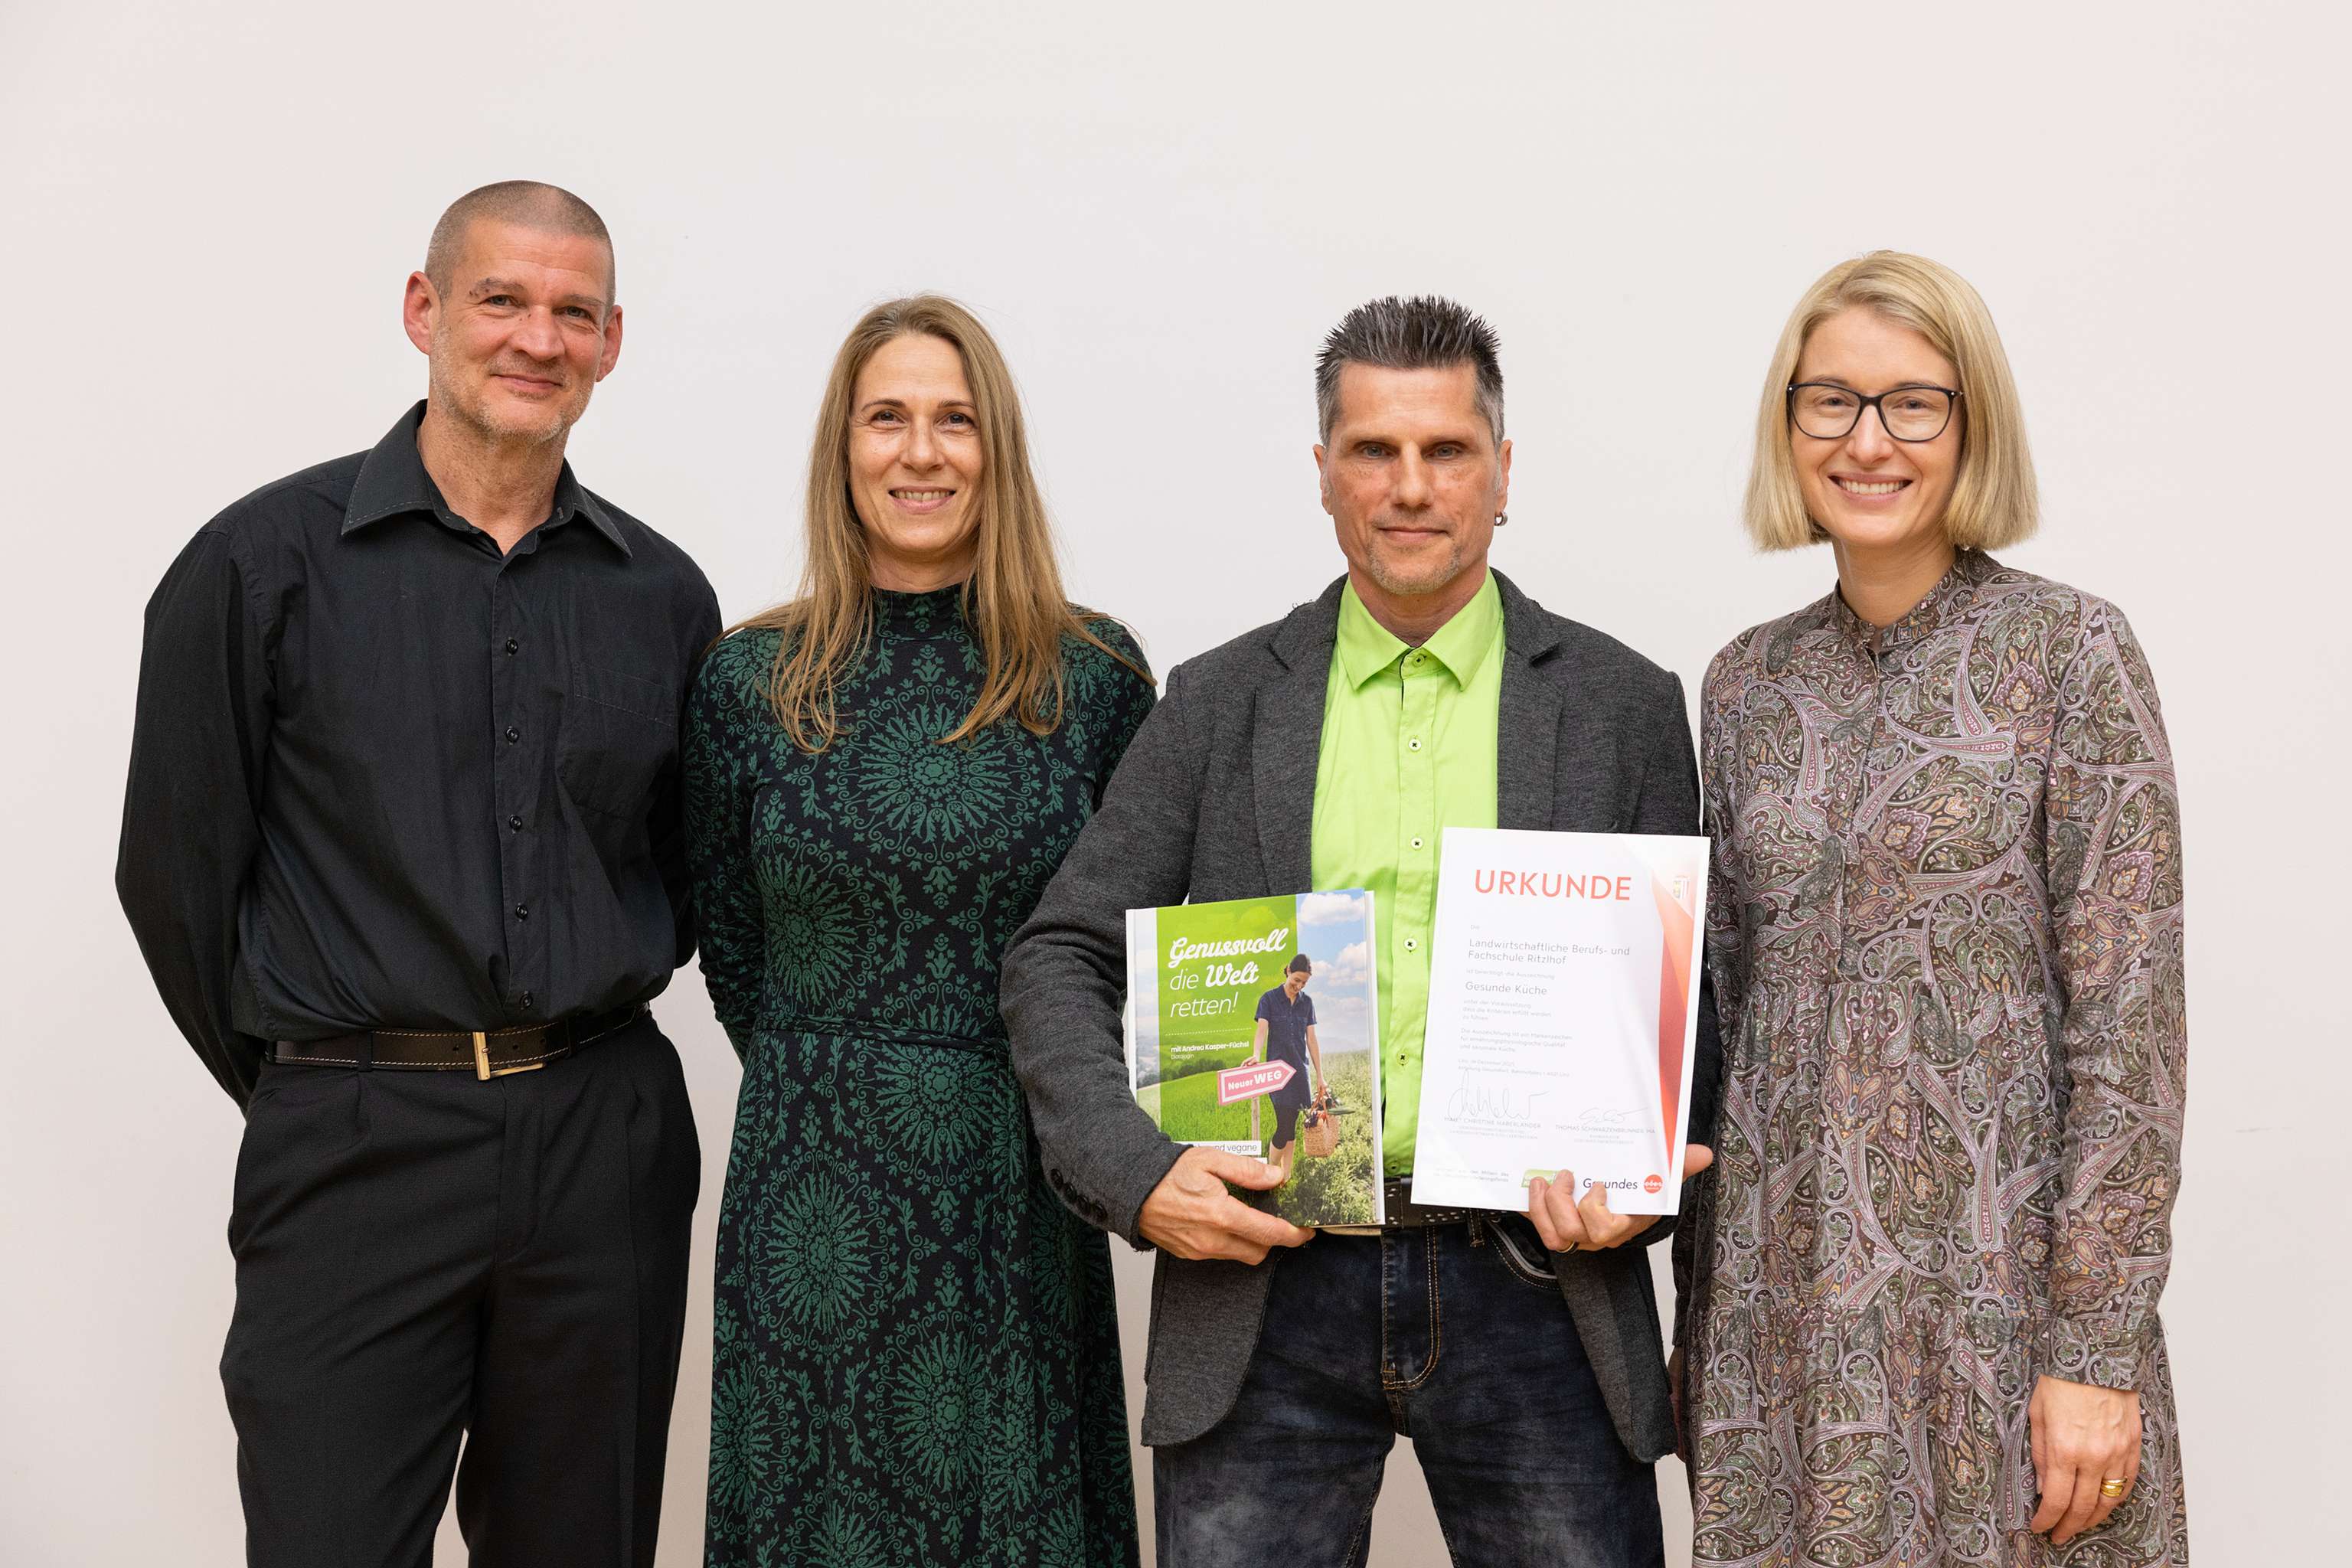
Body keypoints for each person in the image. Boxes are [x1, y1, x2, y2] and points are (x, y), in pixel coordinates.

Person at [1002, 296, 1722, 1567]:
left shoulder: (1621, 705)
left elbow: (1687, 1015)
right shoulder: (1221, 703)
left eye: (1445, 450)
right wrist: (1136, 1168)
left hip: (1537, 1289)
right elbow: (1059, 949)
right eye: (1372, 451)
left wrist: (1641, 1183)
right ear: (1324, 475)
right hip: (1270, 1283)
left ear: (1503, 474)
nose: (1409, 485)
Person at [116, 181, 717, 1566]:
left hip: (601, 1144)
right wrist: (333, 1080)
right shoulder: (258, 564)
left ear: (613, 342)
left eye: (574, 311)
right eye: (502, 298)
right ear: (424, 309)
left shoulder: (664, 599)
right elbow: (176, 874)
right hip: (355, 1143)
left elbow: (688, 875)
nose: (536, 337)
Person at [1676, 251, 2190, 1566]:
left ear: (1971, 426)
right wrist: (1695, 1328)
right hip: (1787, 1326)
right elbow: (1721, 1026)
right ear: (1786, 426)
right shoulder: (1744, 687)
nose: (1867, 440)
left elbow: (2128, 1033)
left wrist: (2093, 1350)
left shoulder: (2070, 654)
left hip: (2001, 1310)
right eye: (1829, 401)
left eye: (1912, 402)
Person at [685, 295, 1155, 1567]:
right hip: (811, 1188)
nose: (920, 451)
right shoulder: (747, 681)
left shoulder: (1095, 675)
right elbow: (730, 941)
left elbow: (1129, 942)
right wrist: (837, 1065)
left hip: (1015, 1171)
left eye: (955, 421)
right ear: (843, 448)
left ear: (994, 449)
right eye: (885, 417)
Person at [1250, 954, 1325, 1181]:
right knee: (1283, 1126)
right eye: (1296, 980)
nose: (1299, 986)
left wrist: (1320, 1076)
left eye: (1304, 983)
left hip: (1299, 1073)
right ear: (1289, 971)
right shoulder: (1269, 999)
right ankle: (1270, 1173)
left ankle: (1286, 1175)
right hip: (1277, 1074)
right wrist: (1255, 1054)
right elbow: (1262, 1029)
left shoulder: (1307, 1003)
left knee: (1291, 1125)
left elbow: (1312, 1040)